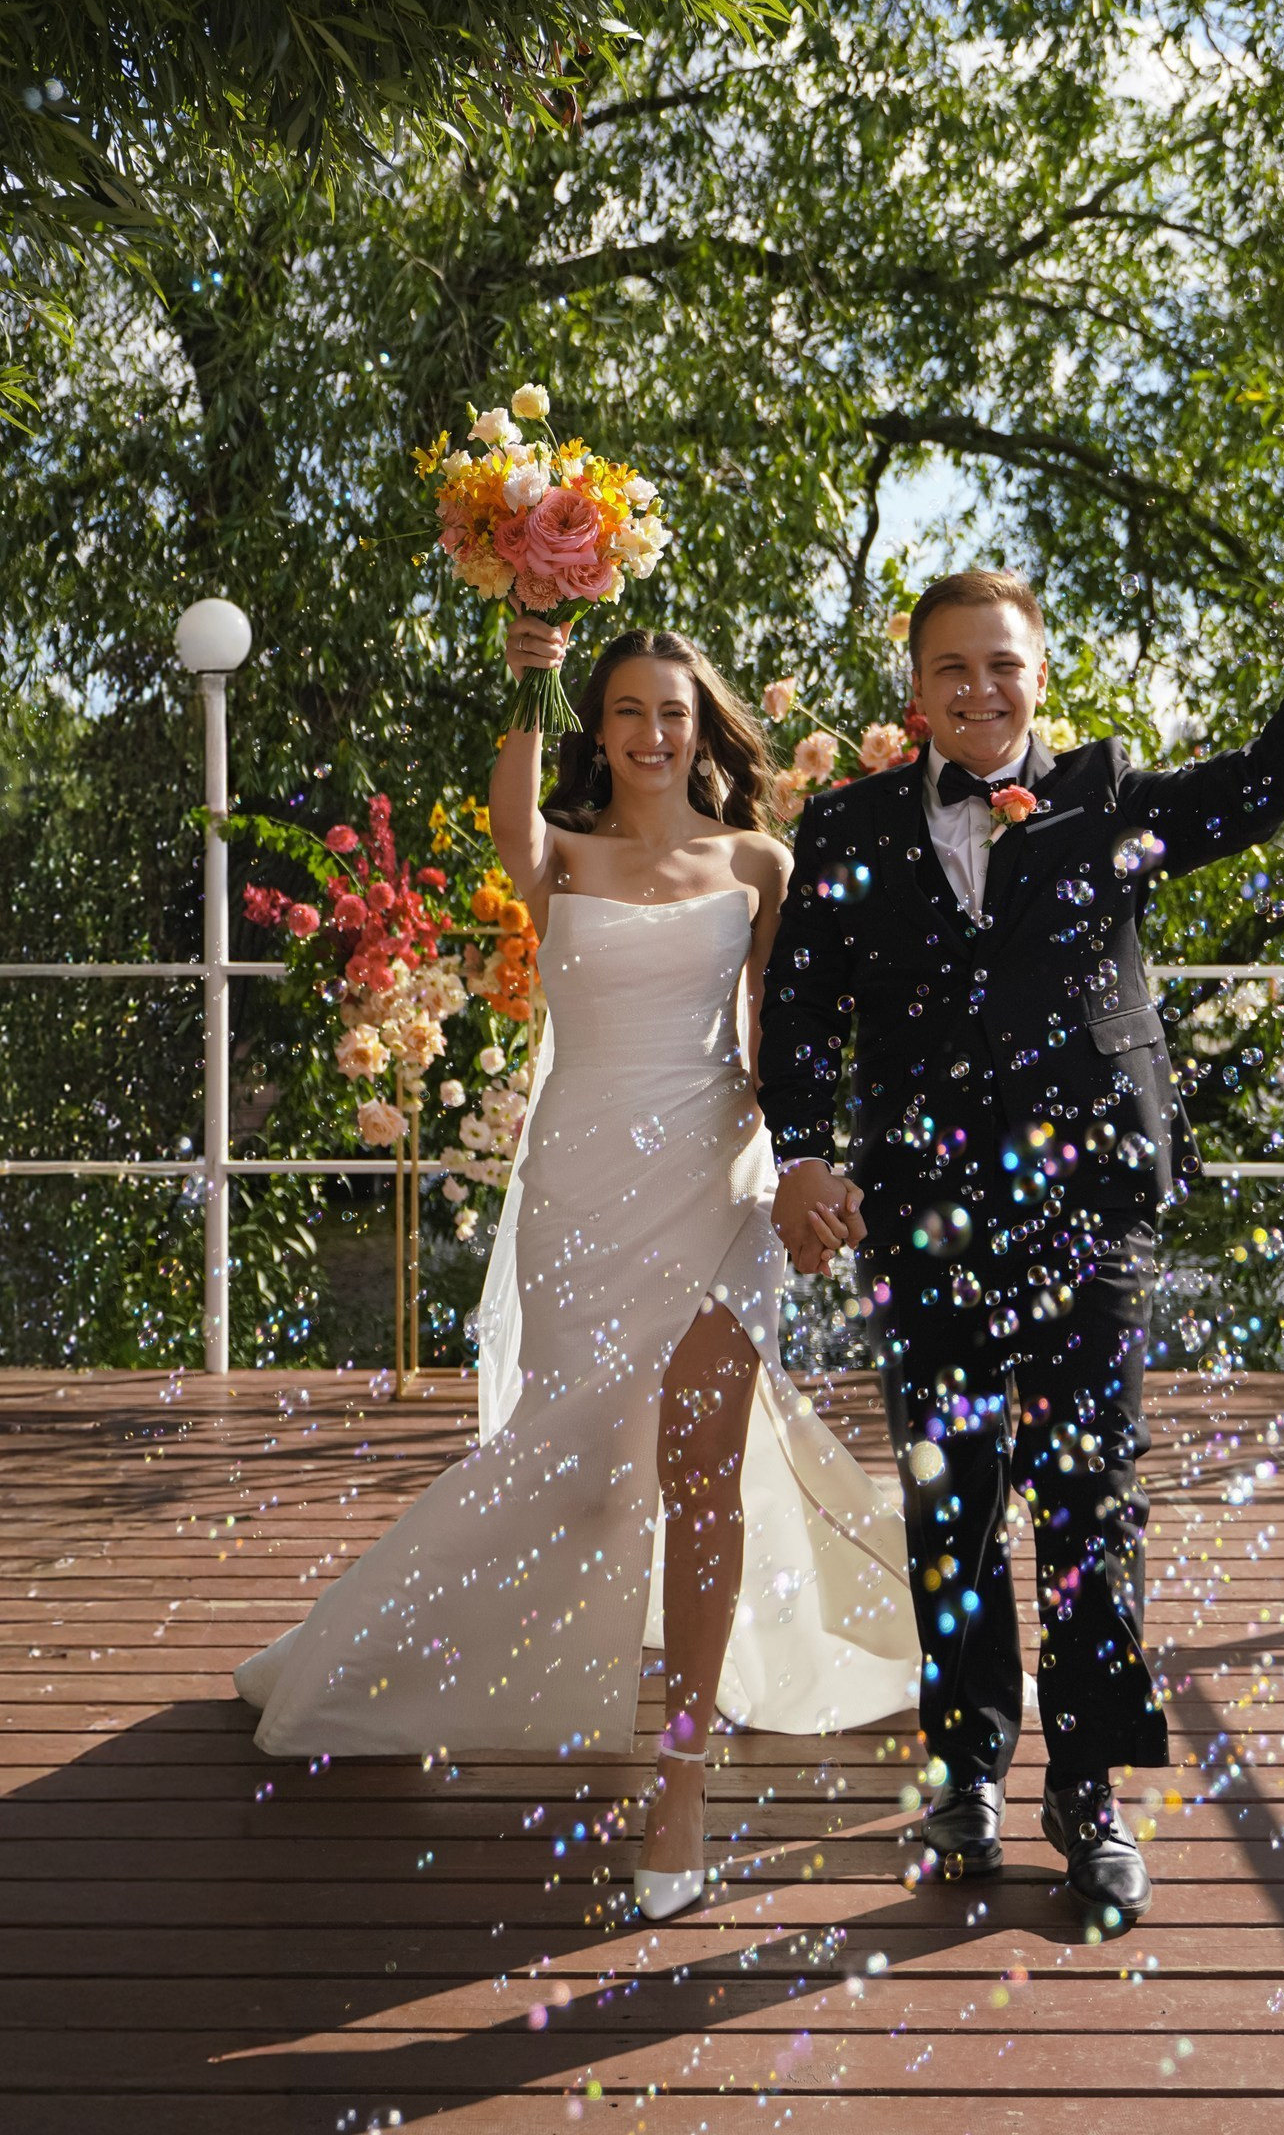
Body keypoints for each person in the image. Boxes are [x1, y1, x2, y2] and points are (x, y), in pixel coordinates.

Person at [759, 473, 1284, 1921]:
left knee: (1086, 1502)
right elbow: (802, 1010)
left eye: (1003, 664)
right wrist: (805, 1148)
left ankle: (1088, 1794)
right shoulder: (848, 827)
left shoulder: (1109, 803)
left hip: (1088, 1208)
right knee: (949, 1505)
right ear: (917, 689)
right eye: (952, 668)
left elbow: (1267, 786)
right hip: (923, 1207)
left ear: (1037, 677)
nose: (980, 688)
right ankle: (962, 1784)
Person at [236, 623, 917, 1921]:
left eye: (673, 711)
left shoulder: (757, 863)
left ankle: (682, 1784)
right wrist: (528, 663)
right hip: (584, 1192)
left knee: (703, 1466)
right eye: (627, 712)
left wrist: (817, 1174)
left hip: (718, 1187)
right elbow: (509, 800)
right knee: (590, 1481)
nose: (653, 732)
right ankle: (383, 1652)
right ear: (599, 728)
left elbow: (789, 1048)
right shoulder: (557, 856)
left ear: (702, 726)